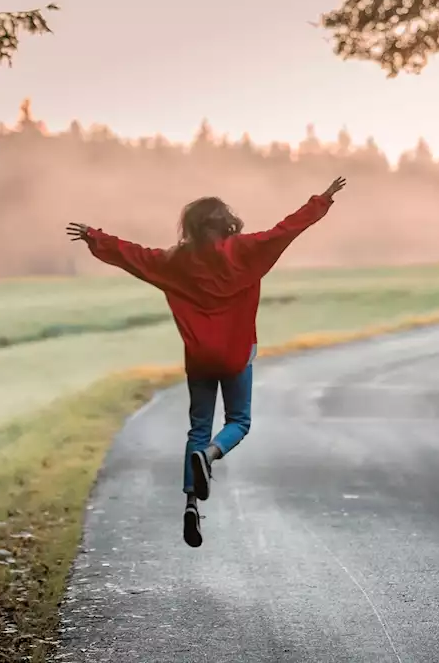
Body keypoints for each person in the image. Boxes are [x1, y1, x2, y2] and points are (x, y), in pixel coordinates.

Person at [66, 176, 348, 547]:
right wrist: (322, 199)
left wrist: (96, 237)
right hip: (236, 355)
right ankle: (211, 455)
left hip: (199, 357)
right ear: (226, 223)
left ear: (192, 227)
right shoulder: (247, 250)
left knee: (197, 428)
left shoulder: (176, 261)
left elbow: (134, 255)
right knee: (238, 422)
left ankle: (190, 503)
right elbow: (286, 230)